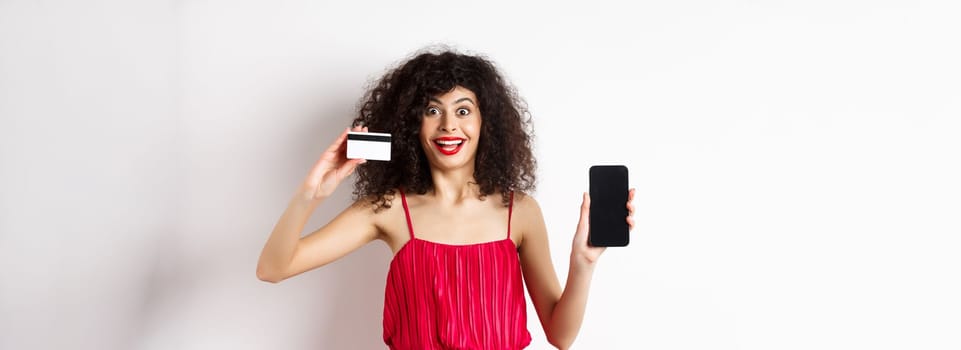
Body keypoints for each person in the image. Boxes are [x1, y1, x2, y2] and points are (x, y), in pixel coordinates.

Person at [256, 48, 635, 350]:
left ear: (486, 122)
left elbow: (560, 335)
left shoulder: (518, 212)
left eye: (463, 110)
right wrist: (312, 193)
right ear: (411, 124)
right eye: (432, 110)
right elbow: (274, 268)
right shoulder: (388, 209)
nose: (449, 125)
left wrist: (583, 262)